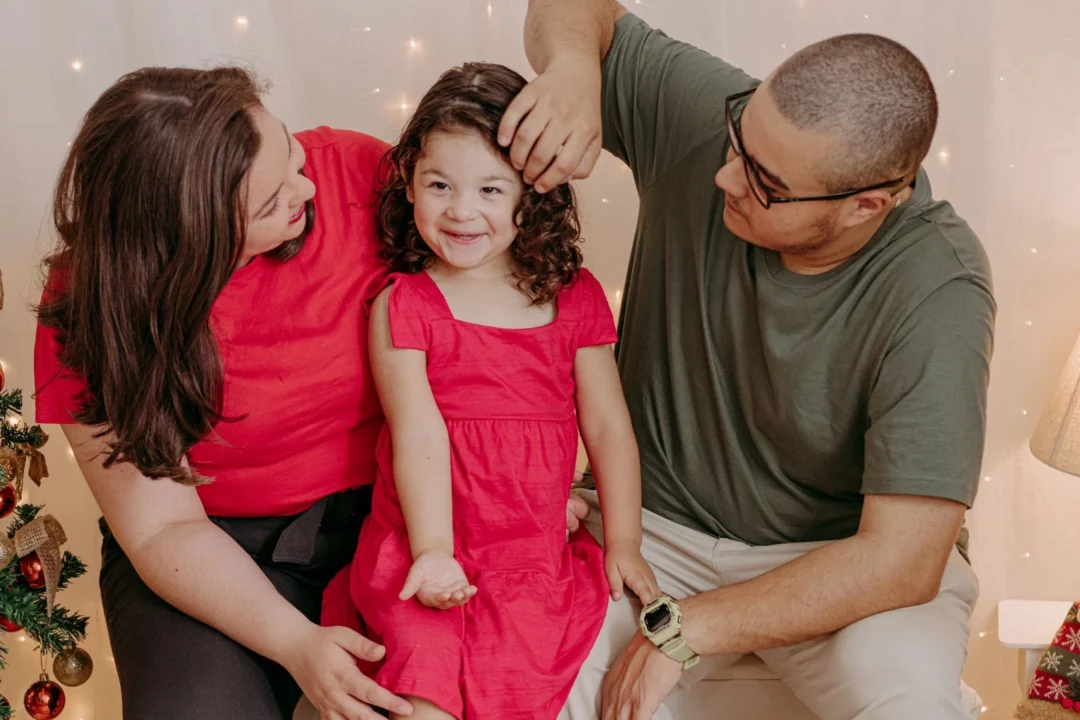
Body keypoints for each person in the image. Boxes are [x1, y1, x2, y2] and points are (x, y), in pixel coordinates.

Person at [32, 66, 589, 720]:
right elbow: (161, 530)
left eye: (290, 154)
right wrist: (296, 643)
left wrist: (533, 490)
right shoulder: (90, 310)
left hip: (407, 513)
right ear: (191, 240)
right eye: (270, 203)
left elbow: (509, 307)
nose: (305, 186)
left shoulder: (357, 175)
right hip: (210, 550)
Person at [496, 2, 997, 719]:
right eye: (738, 141)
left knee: (911, 705)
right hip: (650, 529)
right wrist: (576, 68)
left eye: (765, 183)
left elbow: (901, 560)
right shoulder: (717, 124)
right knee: (514, 690)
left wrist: (685, 630)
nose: (726, 177)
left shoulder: (941, 287)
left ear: (867, 205)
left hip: (836, 566)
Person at [343, 62, 659, 720]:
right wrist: (432, 552)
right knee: (420, 690)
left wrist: (623, 541)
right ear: (408, 181)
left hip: (527, 556)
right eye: (439, 185)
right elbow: (418, 431)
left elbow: (606, 429)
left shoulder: (573, 298)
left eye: (491, 189)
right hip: (425, 540)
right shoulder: (406, 303)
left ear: (533, 194)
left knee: (512, 685)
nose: (461, 211)